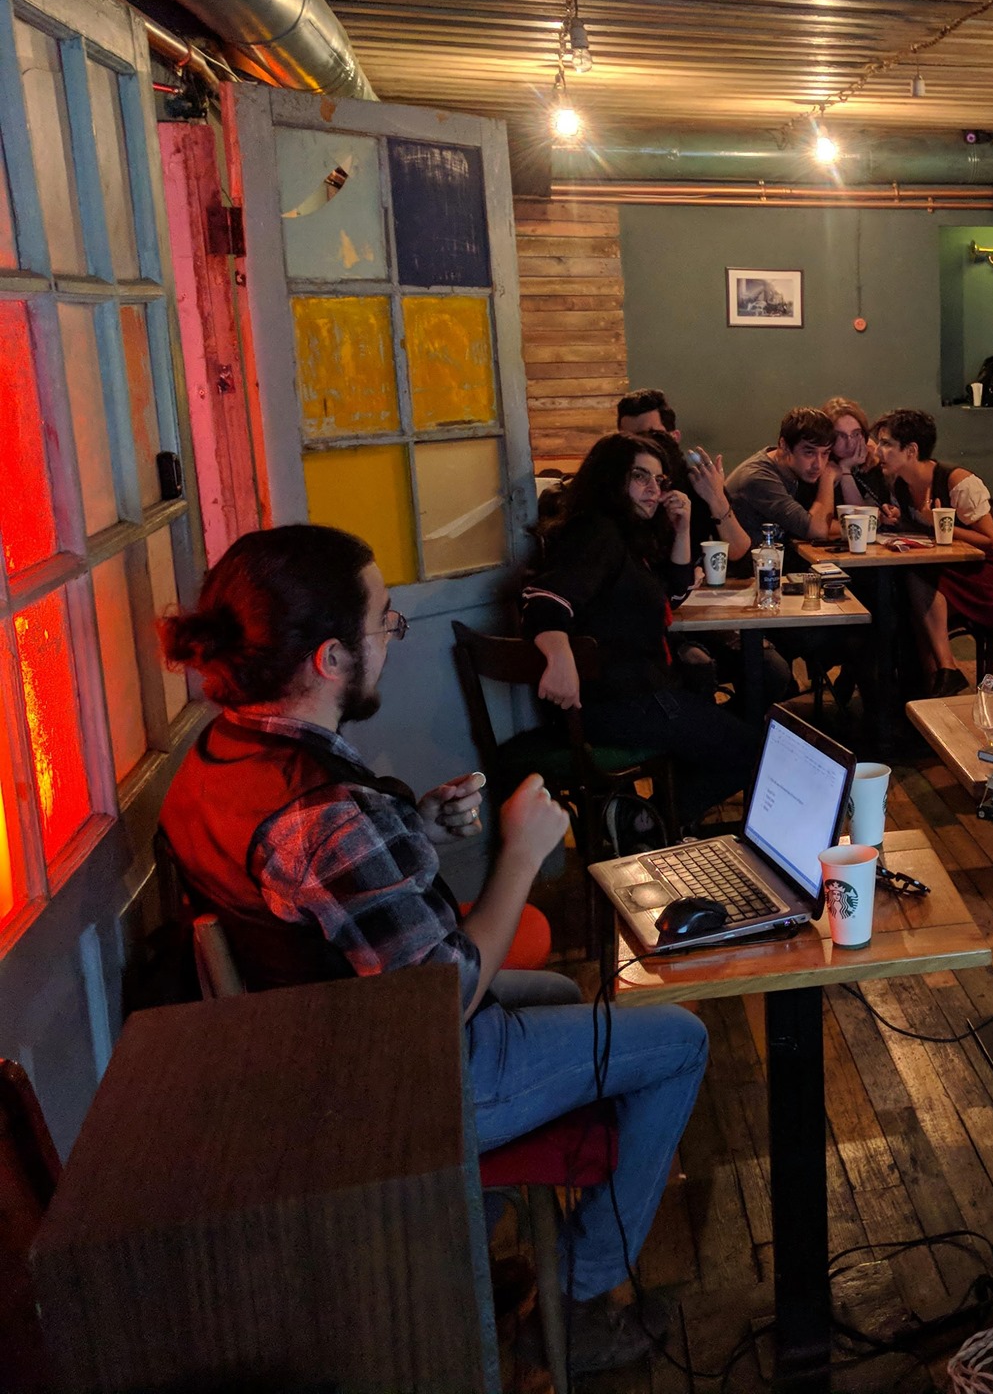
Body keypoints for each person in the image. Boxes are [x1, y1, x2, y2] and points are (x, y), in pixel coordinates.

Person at [158, 525, 704, 1372]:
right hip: (397, 1082)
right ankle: (582, 1300)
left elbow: (312, 896)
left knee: (564, 998)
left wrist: (409, 827)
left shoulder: (220, 756)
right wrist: (521, 855)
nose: (394, 635)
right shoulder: (326, 814)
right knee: (681, 1041)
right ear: (331, 659)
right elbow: (445, 995)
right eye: (384, 620)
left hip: (317, 1046)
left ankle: (459, 1258)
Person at [523, 433, 758, 825]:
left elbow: (672, 594)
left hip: (632, 694)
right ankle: (646, 823)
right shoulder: (596, 533)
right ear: (610, 479)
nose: (654, 489)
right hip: (620, 701)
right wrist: (560, 658)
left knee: (706, 692)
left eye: (659, 480)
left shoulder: (624, 534)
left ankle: (643, 818)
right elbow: (545, 599)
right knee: (754, 751)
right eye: (640, 477)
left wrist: (682, 529)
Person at [872, 406, 993, 695]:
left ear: (911, 450)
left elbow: (991, 541)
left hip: (981, 573)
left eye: (886, 444)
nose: (878, 451)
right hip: (940, 566)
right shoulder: (899, 484)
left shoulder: (956, 481)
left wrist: (939, 525)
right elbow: (922, 531)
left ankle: (945, 670)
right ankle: (928, 683)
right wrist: (898, 521)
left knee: (916, 579)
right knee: (903, 588)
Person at [616, 389, 754, 575]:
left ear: (674, 437)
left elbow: (742, 559)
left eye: (652, 435)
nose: (641, 446)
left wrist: (717, 498)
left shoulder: (697, 480)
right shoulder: (614, 486)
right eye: (629, 439)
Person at [724, 406, 840, 544]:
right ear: (784, 445)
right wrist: (828, 477)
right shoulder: (759, 477)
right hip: (753, 557)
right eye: (809, 452)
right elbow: (817, 531)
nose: (819, 465)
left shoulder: (793, 468)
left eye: (825, 453)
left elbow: (817, 522)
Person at [823, 396, 890, 510]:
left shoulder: (873, 465)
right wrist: (844, 468)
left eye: (856, 434)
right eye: (840, 436)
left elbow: (864, 517)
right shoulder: (818, 468)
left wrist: (845, 467)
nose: (850, 443)